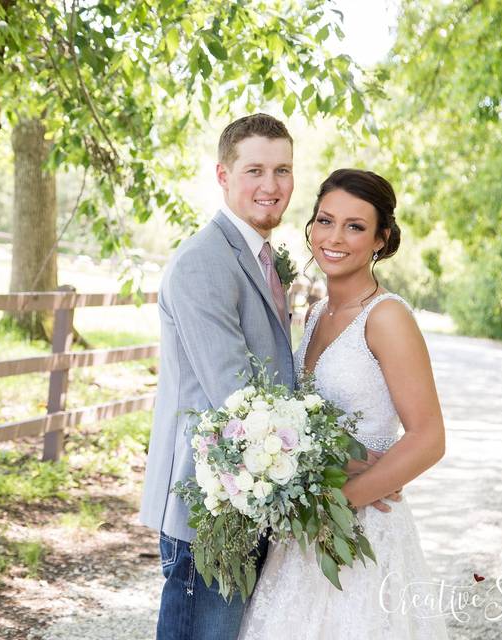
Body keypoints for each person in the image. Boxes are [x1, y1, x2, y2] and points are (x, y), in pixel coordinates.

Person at [238, 169, 448, 639]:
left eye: (355, 226)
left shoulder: (387, 317)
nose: (334, 237)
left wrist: (343, 501)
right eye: (325, 220)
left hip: (360, 529)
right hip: (305, 526)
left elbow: (429, 438)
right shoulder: (314, 314)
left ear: (381, 239)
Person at [139, 113, 297, 640]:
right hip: (206, 507)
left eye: (283, 171)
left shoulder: (257, 256)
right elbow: (238, 396)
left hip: (246, 493)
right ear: (223, 176)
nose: (271, 186)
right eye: (255, 170)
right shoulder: (204, 262)